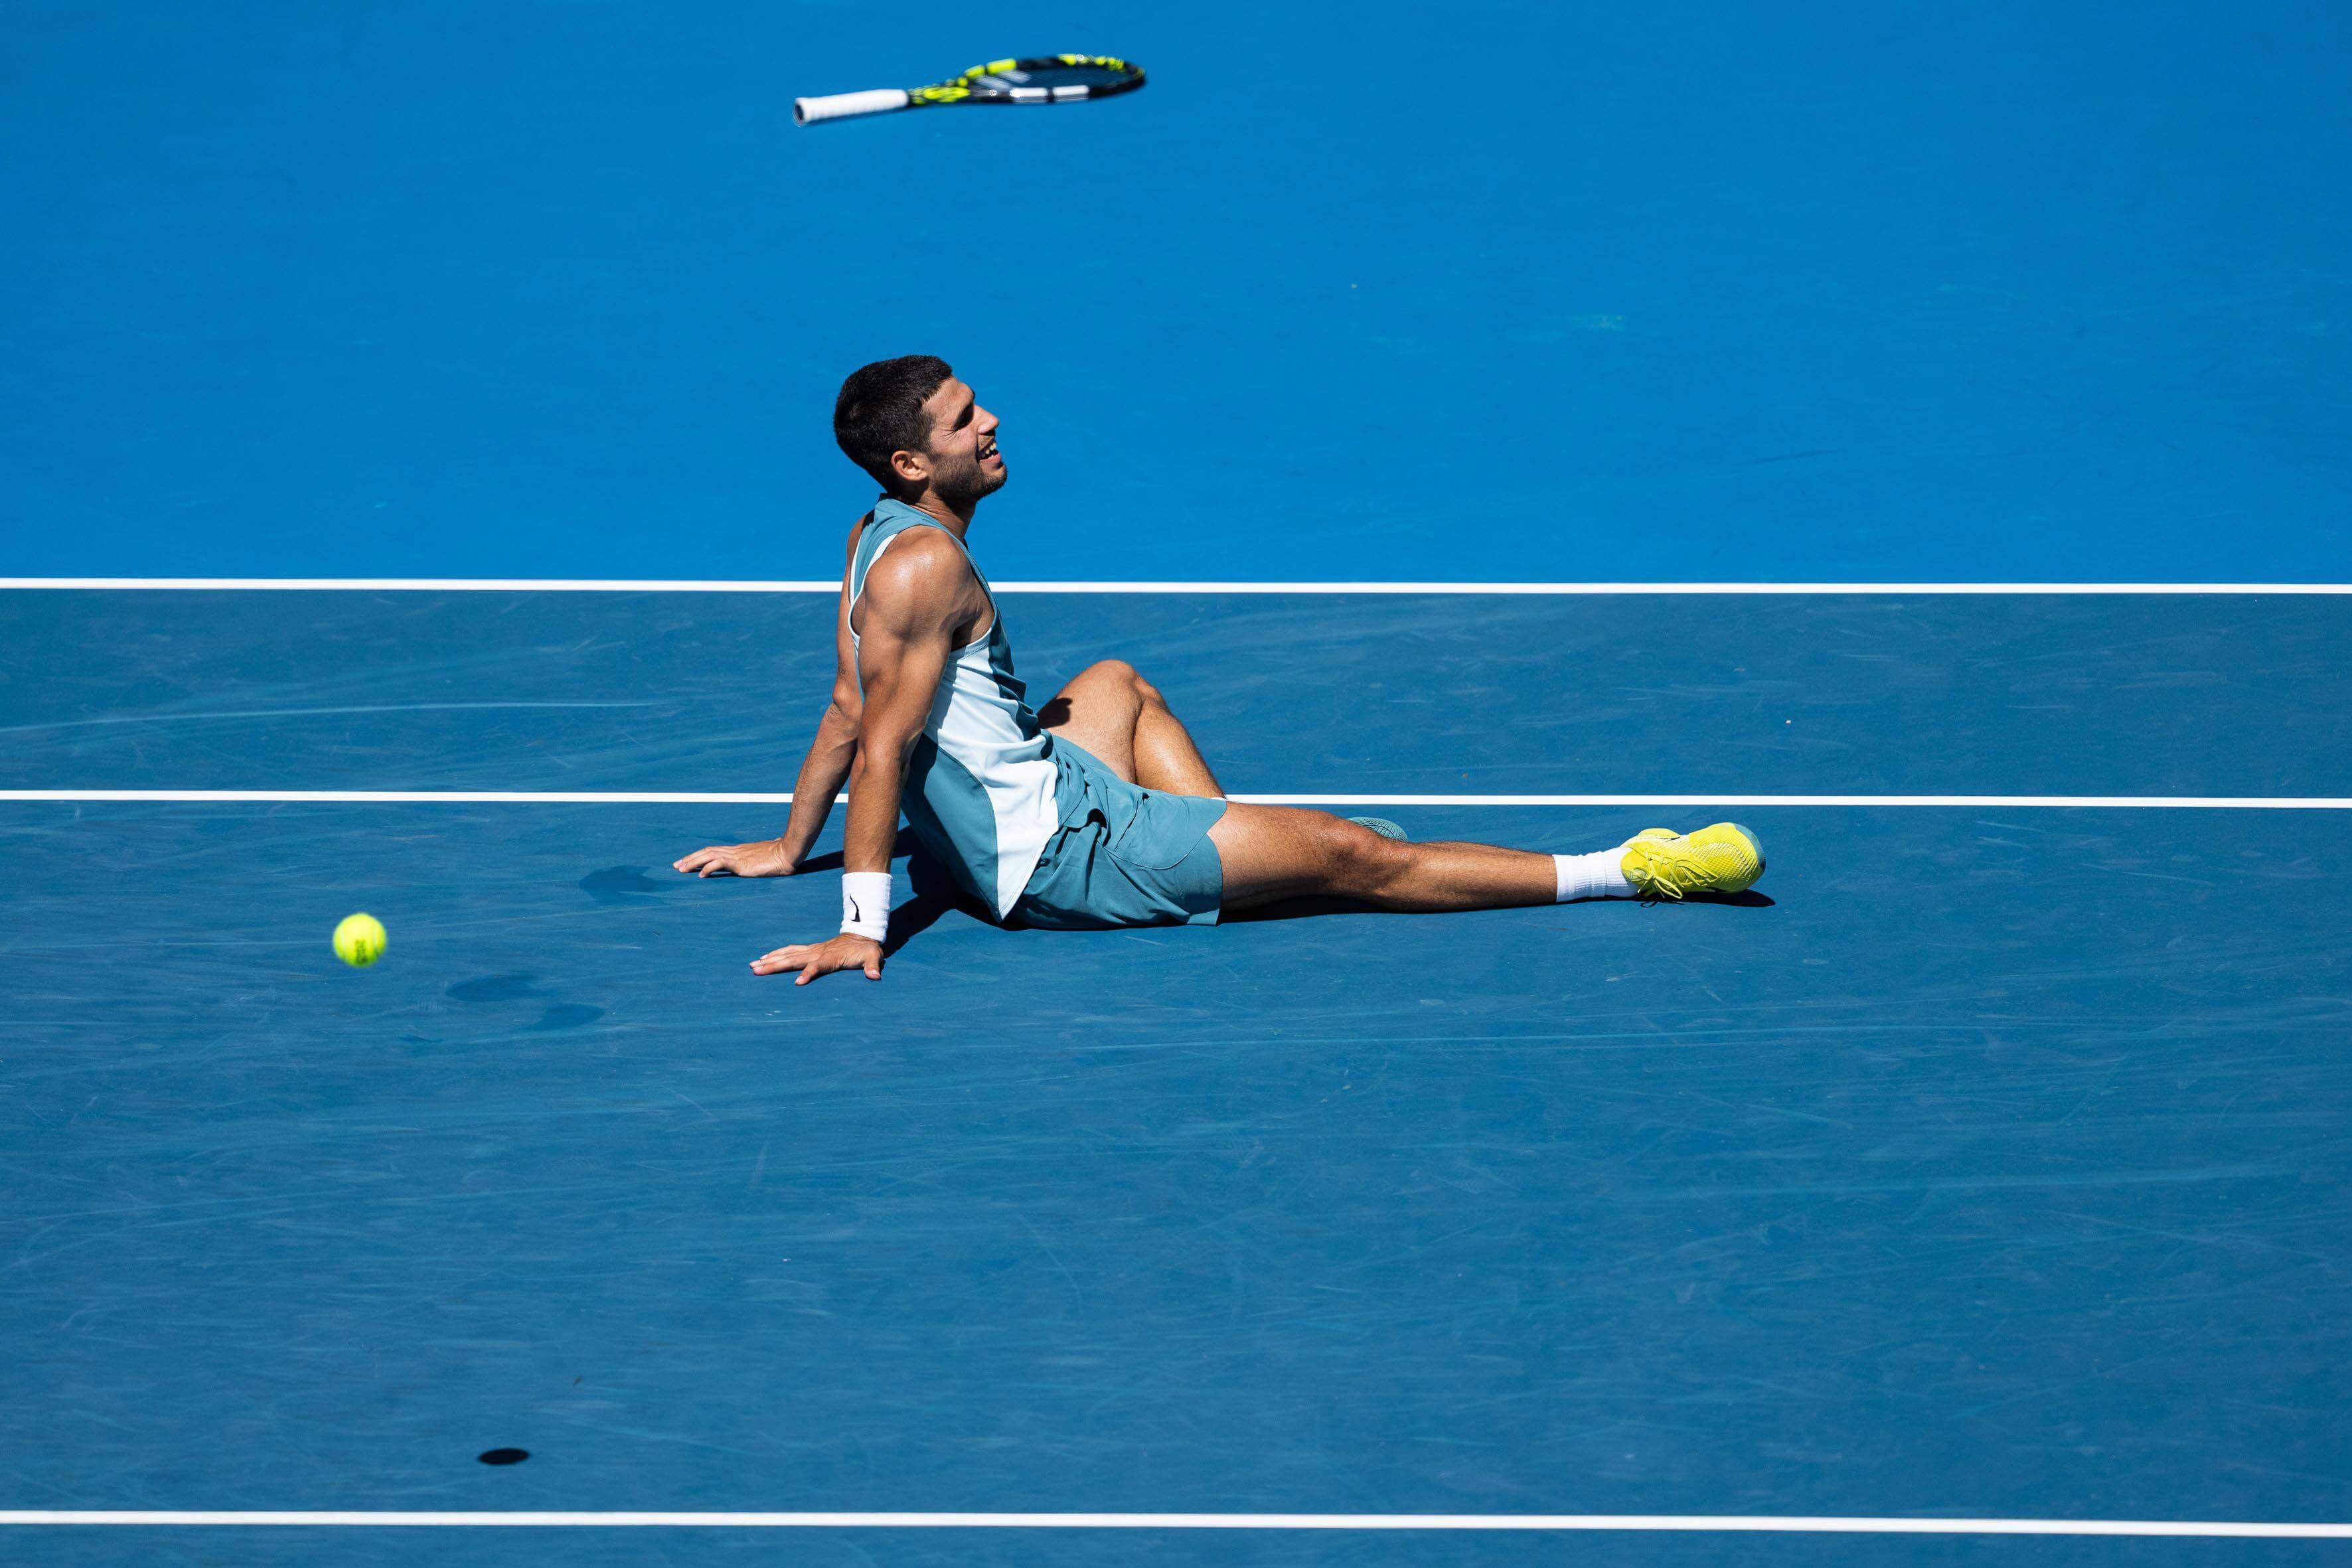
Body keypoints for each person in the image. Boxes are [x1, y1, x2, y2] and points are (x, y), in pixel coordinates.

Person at [674, 355, 1763, 984]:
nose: (991, 418)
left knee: (1115, 682)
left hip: (1016, 810)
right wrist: (863, 922)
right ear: (915, 462)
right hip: (1049, 860)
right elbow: (881, 741)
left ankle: (1225, 849)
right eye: (965, 420)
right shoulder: (921, 570)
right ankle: (1627, 868)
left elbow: (842, 700)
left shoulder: (873, 534)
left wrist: (787, 845)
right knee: (1357, 851)